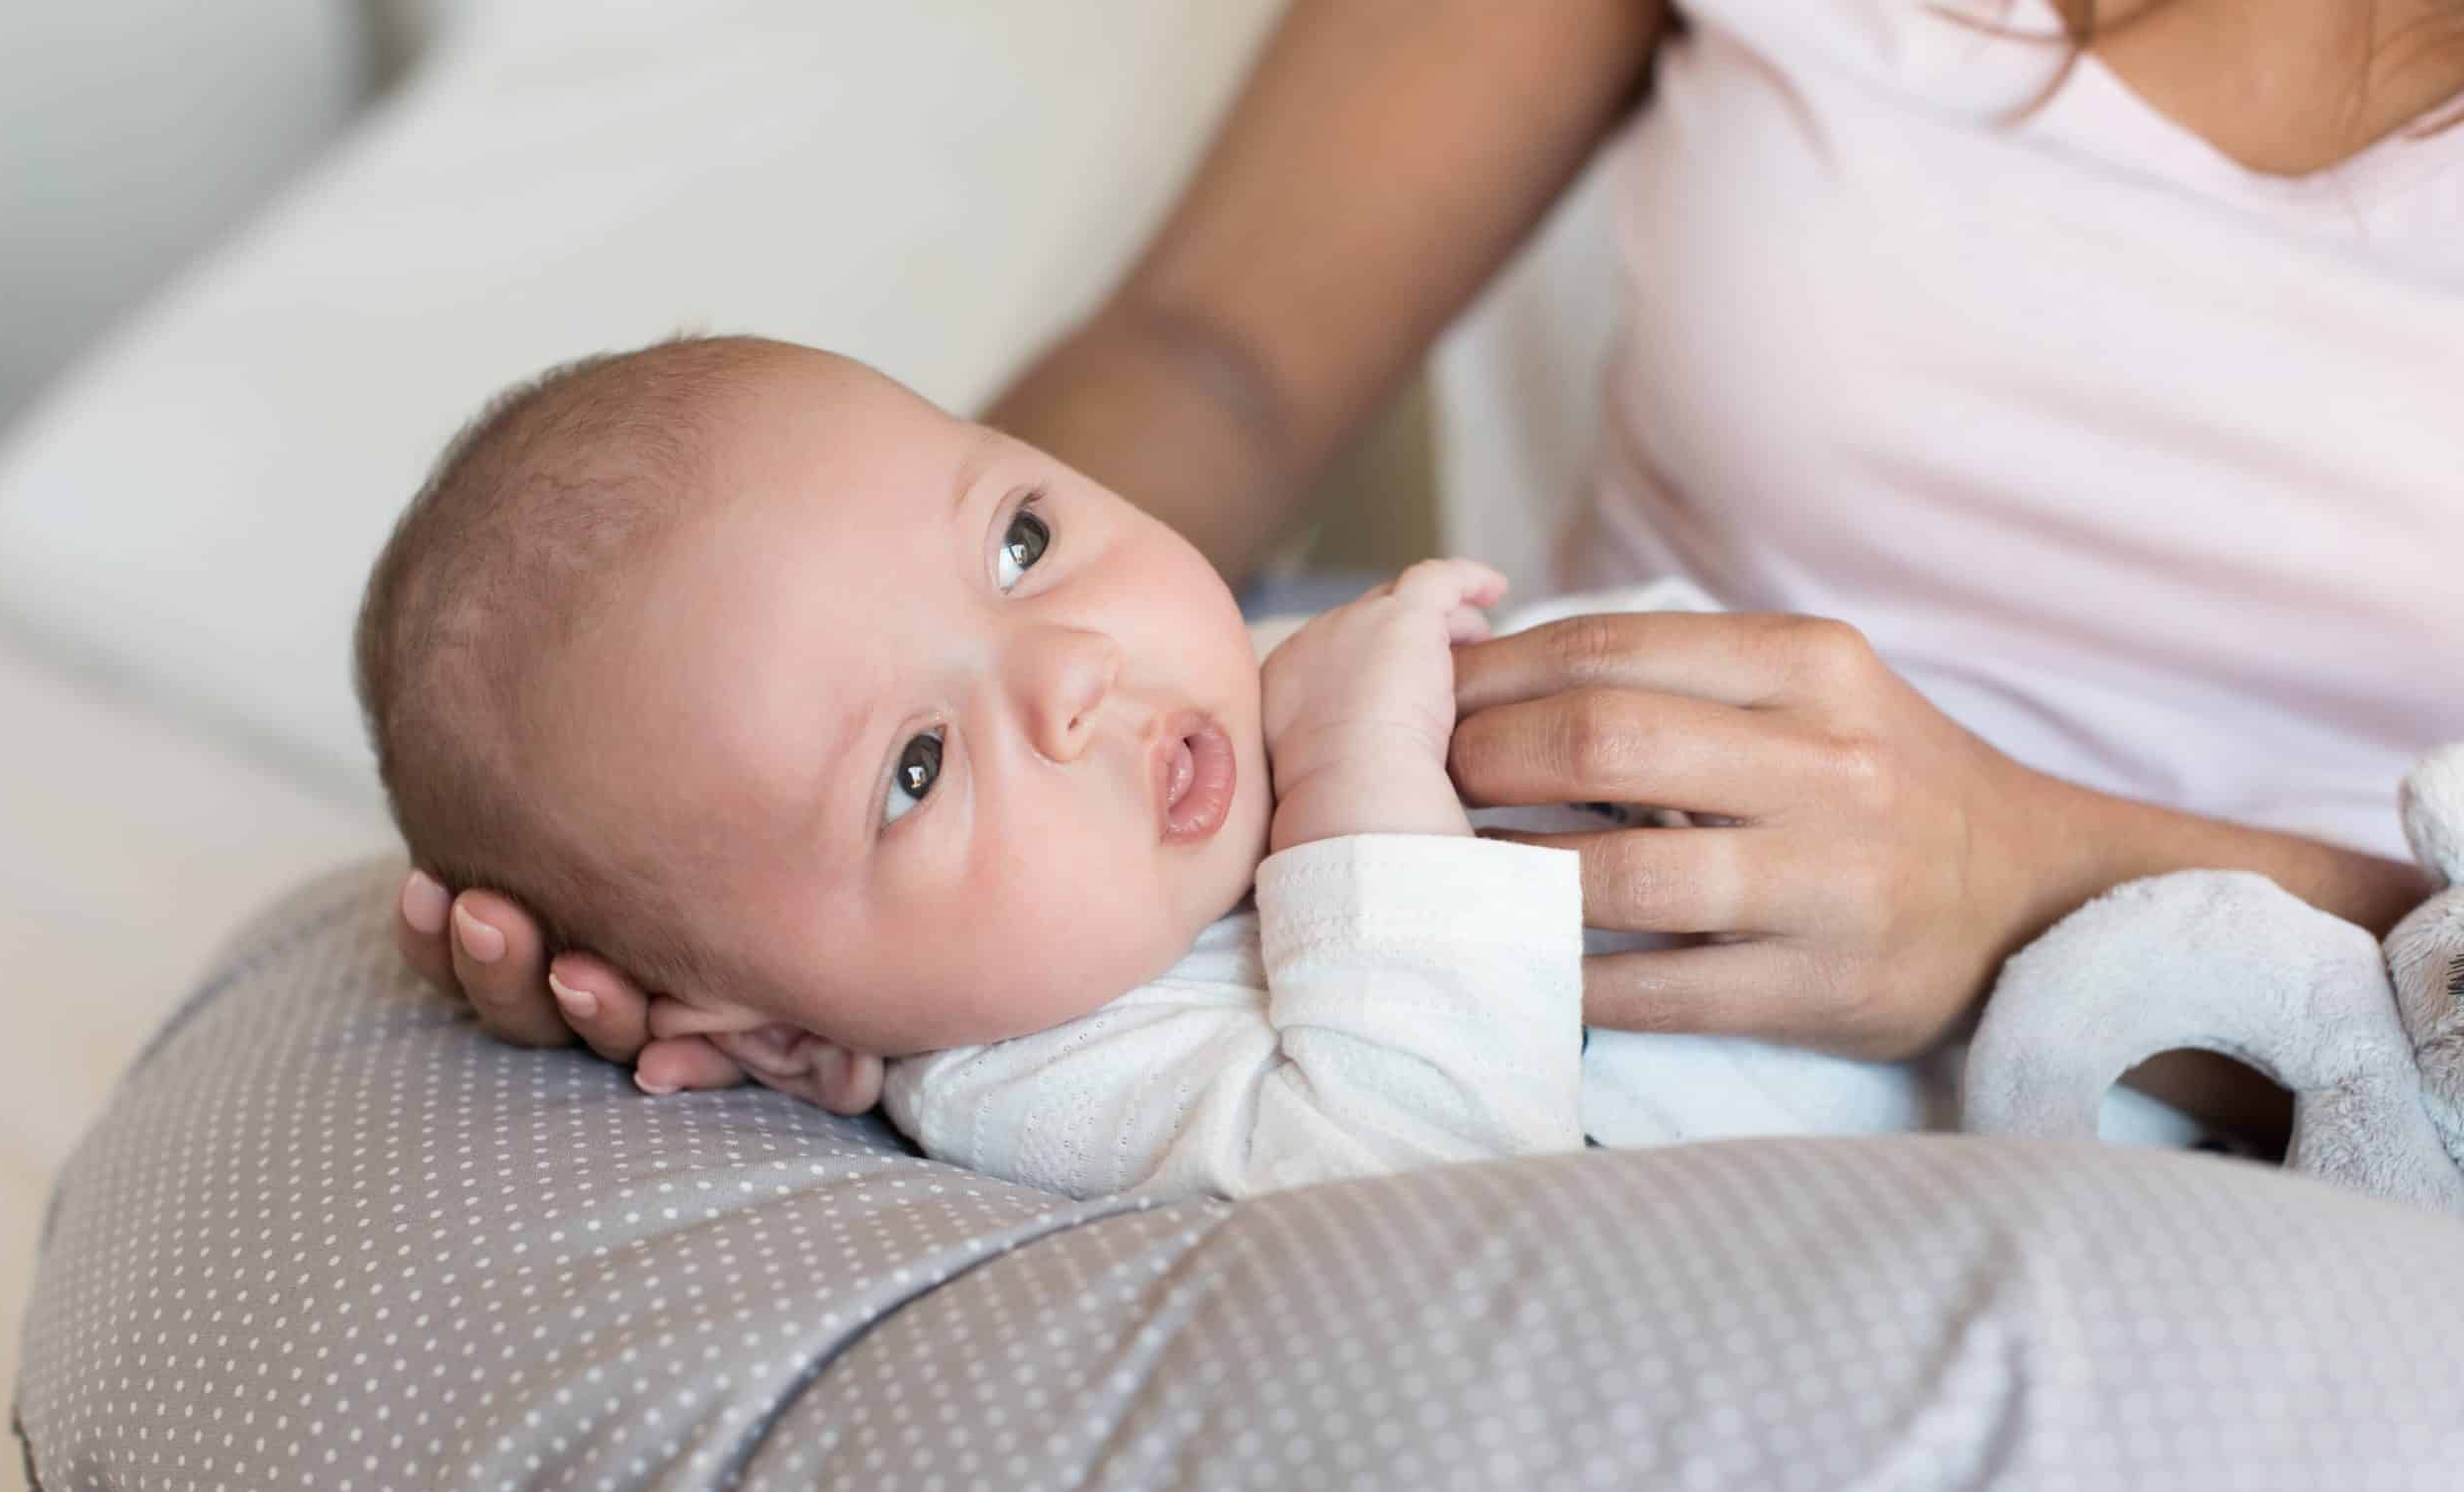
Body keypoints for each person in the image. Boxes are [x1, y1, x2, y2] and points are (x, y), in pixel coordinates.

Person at [387, 0, 2461, 1136]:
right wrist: (725, 799)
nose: (1063, 667)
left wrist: (2027, 880)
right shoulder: (1044, 972)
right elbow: (1220, 353)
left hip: (2277, 1096)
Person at [361, 337, 2222, 1199]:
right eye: (916, 769)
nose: (1074, 676)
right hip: (2110, 1200)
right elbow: (1428, 1182)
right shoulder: (1055, 1057)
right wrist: (1358, 783)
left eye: (1019, 543)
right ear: (784, 1038)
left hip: (2178, 1014)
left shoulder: (1228, 698)